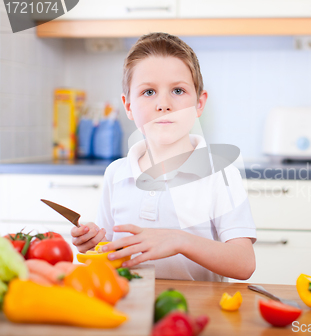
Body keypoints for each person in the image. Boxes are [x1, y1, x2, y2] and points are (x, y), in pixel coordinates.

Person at [70, 33, 256, 281]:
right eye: (148, 92)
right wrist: (94, 243)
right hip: (129, 309)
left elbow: (244, 263)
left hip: (196, 315)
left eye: (178, 90)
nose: (163, 104)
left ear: (199, 104)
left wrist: (180, 240)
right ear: (128, 106)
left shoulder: (220, 174)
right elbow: (109, 251)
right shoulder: (116, 173)